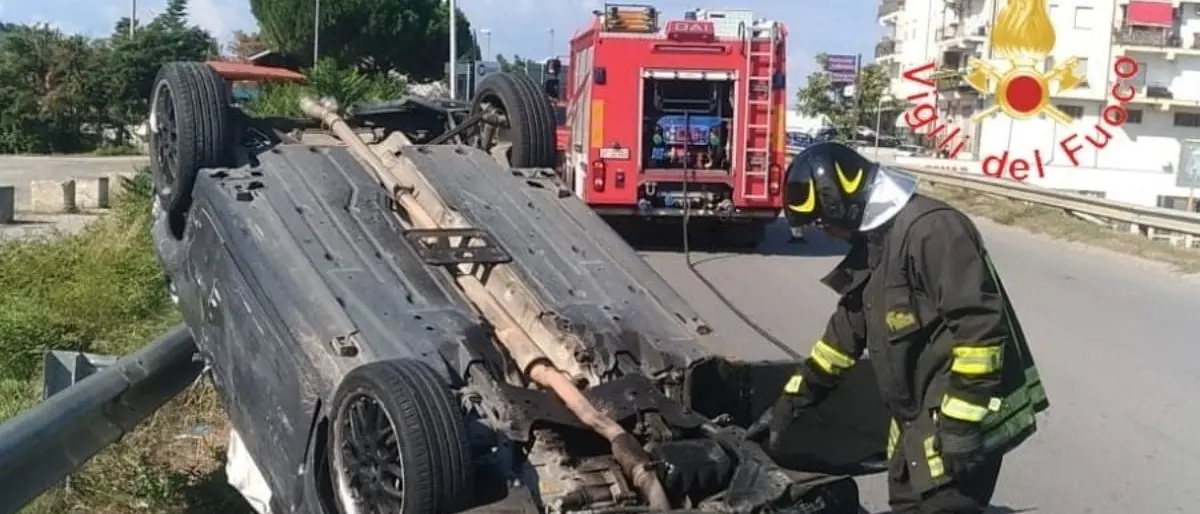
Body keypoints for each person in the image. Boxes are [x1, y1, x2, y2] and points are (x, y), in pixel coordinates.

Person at [745, 142, 1048, 513]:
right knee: (906, 503)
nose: (826, 232)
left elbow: (980, 330)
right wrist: (790, 404)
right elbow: (839, 343)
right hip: (916, 426)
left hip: (961, 423)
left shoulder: (932, 229)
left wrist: (961, 425)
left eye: (824, 220)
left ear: (842, 200)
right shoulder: (874, 247)